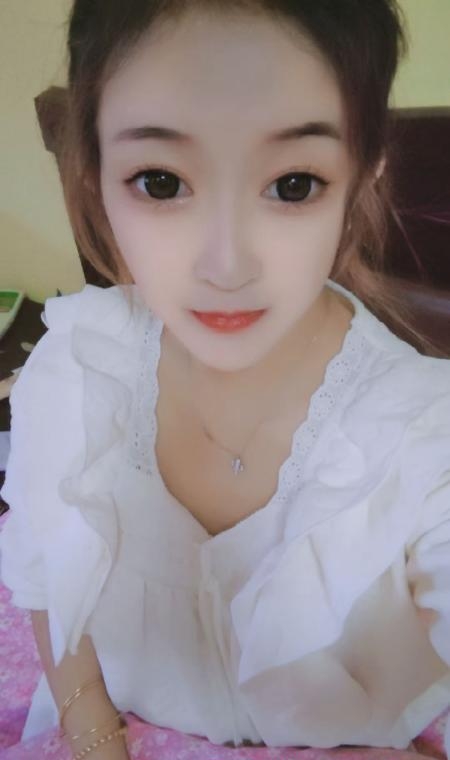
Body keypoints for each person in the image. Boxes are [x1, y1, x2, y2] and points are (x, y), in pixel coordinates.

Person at [1, 1, 449, 759]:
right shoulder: (75, 364)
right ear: (94, 173)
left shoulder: (425, 438)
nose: (226, 265)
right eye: (161, 182)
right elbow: (46, 574)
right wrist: (93, 732)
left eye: (294, 184)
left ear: (363, 175)